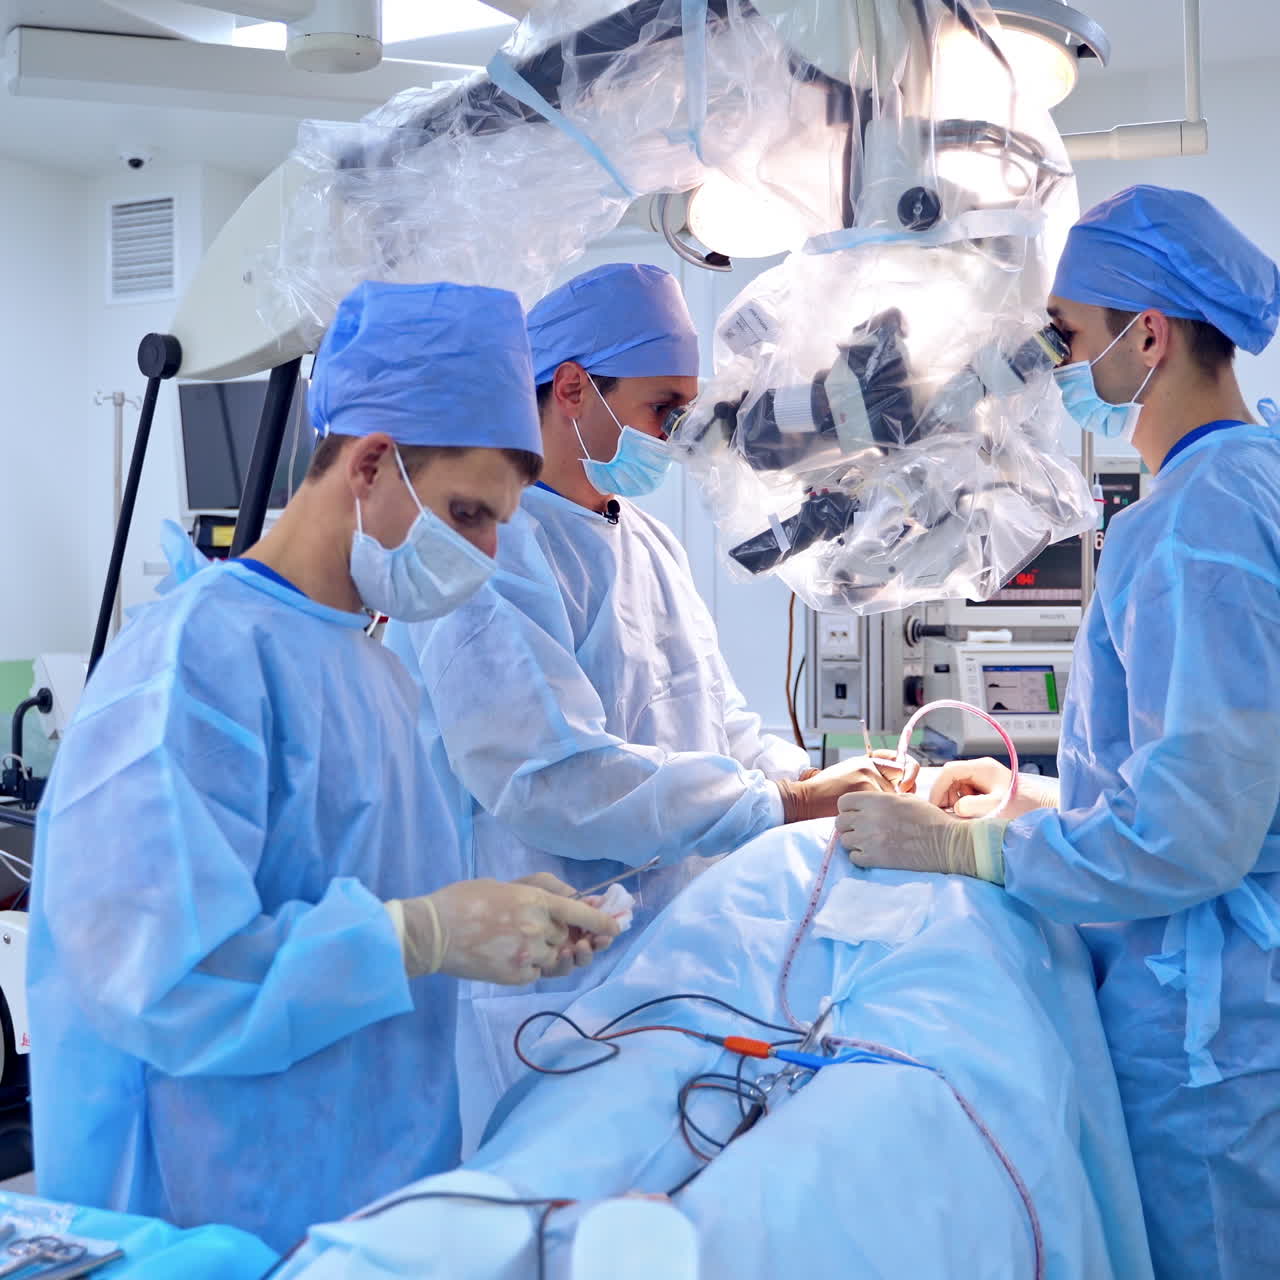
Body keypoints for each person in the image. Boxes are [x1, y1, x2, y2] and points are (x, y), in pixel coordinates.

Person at [27, 280, 619, 1253]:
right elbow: (165, 979)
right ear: (372, 460)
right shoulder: (194, 664)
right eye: (468, 512)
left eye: (497, 523)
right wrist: (418, 934)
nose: (483, 552)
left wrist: (493, 919)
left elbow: (362, 901)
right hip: (208, 1215)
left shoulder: (376, 669)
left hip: (365, 1204)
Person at [835, 185, 1280, 1280]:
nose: (1054, 364)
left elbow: (1194, 832)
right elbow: (1209, 773)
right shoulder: (1239, 488)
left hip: (1209, 1034)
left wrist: (969, 850)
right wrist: (1030, 799)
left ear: (1149, 333)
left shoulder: (1201, 519)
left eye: (1066, 335)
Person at [385, 262, 901, 1140]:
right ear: (576, 388)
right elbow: (558, 780)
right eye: (668, 408)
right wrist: (772, 804)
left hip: (669, 958)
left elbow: (715, 714)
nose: (683, 434)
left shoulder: (645, 537)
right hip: (549, 985)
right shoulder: (492, 552)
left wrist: (809, 781)